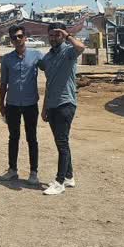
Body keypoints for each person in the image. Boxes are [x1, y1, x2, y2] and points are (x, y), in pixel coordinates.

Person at [38, 22, 85, 195]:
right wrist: (44, 107)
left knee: (62, 143)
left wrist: (68, 35)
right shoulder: (48, 57)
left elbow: (81, 47)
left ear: (63, 36)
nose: (53, 38)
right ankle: (69, 177)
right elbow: (49, 84)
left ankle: (59, 182)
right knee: (61, 142)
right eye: (51, 35)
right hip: (52, 104)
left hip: (65, 103)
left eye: (57, 35)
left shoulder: (69, 52)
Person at [0, 24, 43, 185]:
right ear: (11, 40)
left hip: (31, 103)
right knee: (13, 137)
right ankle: (12, 170)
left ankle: (33, 172)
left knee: (32, 137)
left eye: (19, 36)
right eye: (14, 37)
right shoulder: (7, 59)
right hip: (12, 104)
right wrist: (1, 104)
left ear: (25, 37)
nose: (17, 39)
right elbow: (3, 83)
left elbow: (51, 68)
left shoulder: (36, 55)